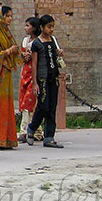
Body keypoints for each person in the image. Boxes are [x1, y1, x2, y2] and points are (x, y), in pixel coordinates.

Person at [26, 14, 64, 148]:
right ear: (42, 27)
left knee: (52, 107)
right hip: (42, 79)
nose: (51, 29)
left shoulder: (52, 40)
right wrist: (35, 83)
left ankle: (49, 136)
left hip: (53, 78)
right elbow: (34, 64)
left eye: (53, 27)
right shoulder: (37, 43)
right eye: (49, 27)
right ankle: (31, 128)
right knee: (43, 106)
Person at [0, 6, 22, 149]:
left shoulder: (5, 32)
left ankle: (7, 138)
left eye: (10, 16)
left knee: (7, 105)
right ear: (0, 17)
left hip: (6, 73)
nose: (10, 18)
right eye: (7, 16)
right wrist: (9, 51)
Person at [17, 17, 43, 143]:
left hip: (35, 73)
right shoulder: (25, 41)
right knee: (24, 102)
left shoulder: (39, 41)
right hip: (25, 73)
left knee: (30, 102)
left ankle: (24, 131)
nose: (25, 28)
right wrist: (24, 56)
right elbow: (22, 57)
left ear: (34, 27)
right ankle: (36, 131)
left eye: (27, 25)